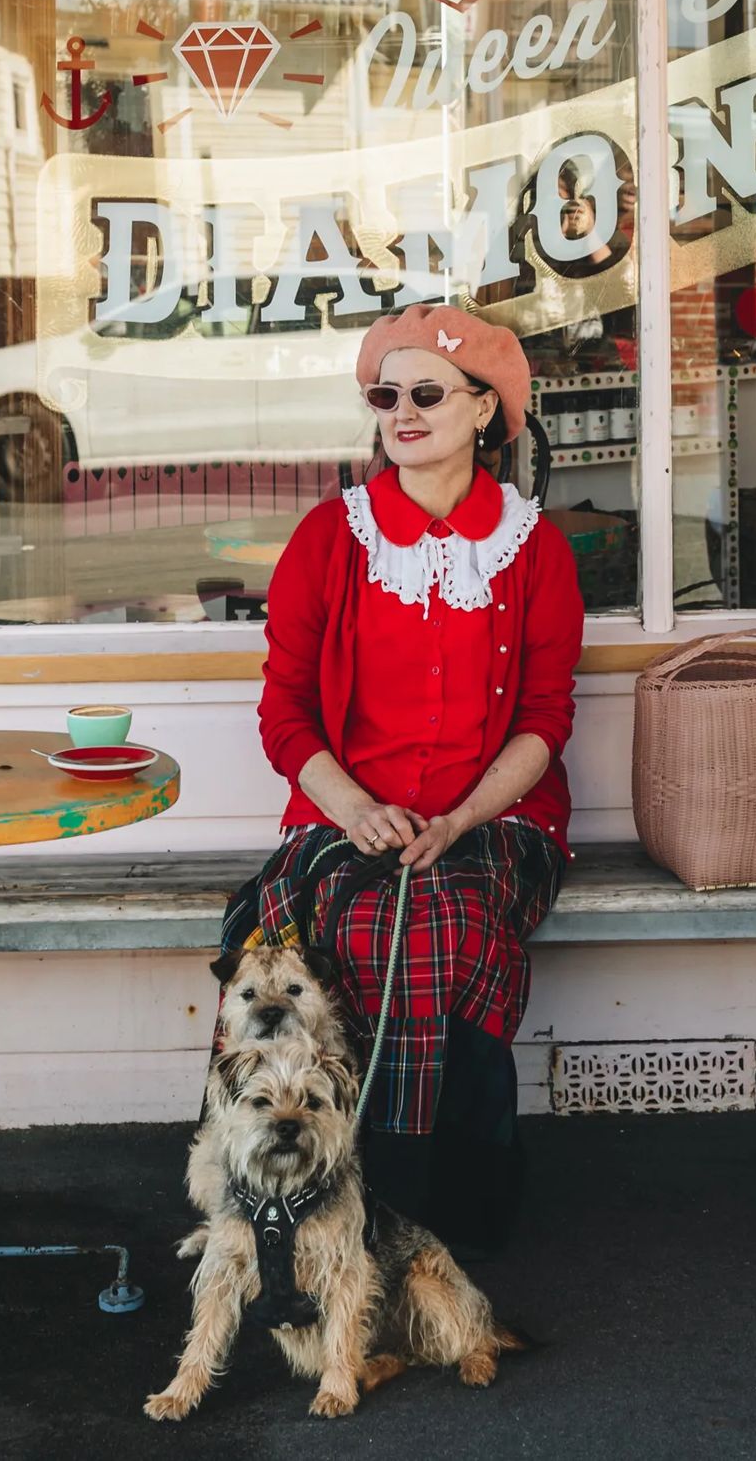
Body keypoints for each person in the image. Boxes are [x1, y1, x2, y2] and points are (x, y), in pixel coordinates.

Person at [219, 302, 585, 1253]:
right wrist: (354, 809)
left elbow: (546, 720)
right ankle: (315, 1191)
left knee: (450, 921)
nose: (402, 412)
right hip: (341, 818)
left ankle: (439, 1208)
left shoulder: (534, 548)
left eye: (427, 393)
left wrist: (459, 819)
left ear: (485, 410)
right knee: (364, 919)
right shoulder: (329, 538)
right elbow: (283, 711)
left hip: (494, 820)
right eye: (386, 395)